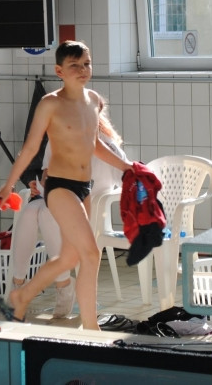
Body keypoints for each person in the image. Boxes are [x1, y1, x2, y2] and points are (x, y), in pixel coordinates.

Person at [0, 40, 131, 330]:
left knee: (69, 257)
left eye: (86, 64)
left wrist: (129, 168)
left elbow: (94, 145)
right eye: (74, 66)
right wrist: (7, 186)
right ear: (59, 70)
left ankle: (22, 295)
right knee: (91, 254)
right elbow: (30, 150)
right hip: (59, 187)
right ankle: (91, 329)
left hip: (84, 187)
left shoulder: (93, 100)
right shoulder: (50, 104)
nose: (82, 70)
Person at [9, 111, 127, 319]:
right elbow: (47, 175)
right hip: (61, 204)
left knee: (45, 213)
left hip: (90, 212)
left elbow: (124, 177)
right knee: (29, 212)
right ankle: (17, 284)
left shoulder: (107, 145)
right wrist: (39, 184)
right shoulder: (57, 139)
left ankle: (63, 286)